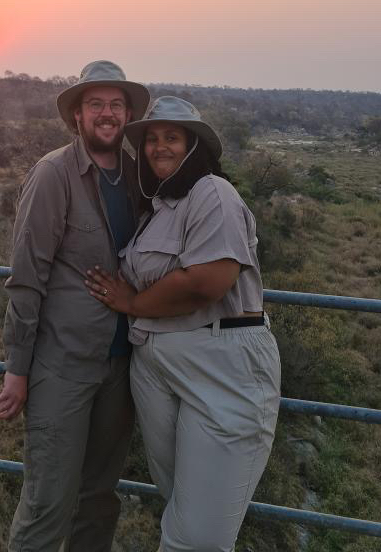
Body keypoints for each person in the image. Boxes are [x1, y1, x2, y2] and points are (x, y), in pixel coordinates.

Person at [86, 96, 281, 552]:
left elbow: (207, 282)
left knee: (198, 537)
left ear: (195, 146)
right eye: (151, 139)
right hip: (158, 367)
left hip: (219, 367)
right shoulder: (158, 207)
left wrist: (133, 304)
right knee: (182, 510)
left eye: (172, 137)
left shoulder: (214, 193)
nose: (159, 147)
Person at [0, 60, 150, 552]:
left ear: (127, 115)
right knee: (48, 503)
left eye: (116, 105)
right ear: (77, 116)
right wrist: (17, 369)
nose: (107, 113)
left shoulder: (138, 180)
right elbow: (26, 278)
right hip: (62, 366)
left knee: (99, 499)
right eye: (96, 104)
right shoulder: (53, 174)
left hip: (123, 366)